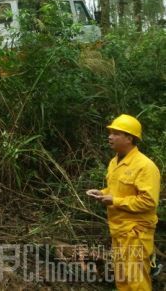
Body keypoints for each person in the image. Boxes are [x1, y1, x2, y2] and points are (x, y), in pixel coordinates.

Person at [86, 114, 161, 291]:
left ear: (129, 138)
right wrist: (102, 193)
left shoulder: (145, 166)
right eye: (110, 132)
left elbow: (149, 202)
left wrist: (115, 200)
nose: (110, 136)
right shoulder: (114, 162)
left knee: (136, 281)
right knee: (122, 279)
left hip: (136, 233)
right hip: (118, 230)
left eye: (116, 133)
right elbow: (117, 191)